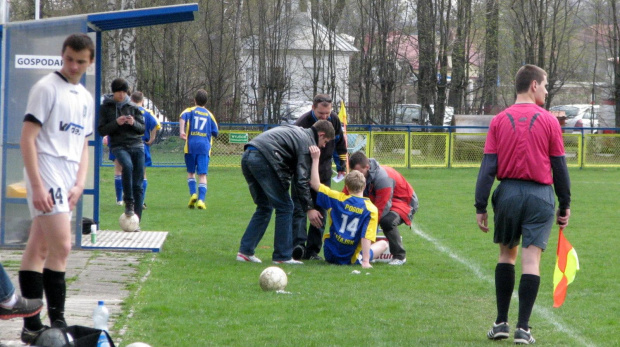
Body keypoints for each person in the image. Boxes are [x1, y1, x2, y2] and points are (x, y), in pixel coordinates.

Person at [475, 64, 571, 345]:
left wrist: (480, 206)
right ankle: (523, 329)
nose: (546, 89)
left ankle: (501, 323)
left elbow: (488, 166)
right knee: (531, 260)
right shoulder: (550, 121)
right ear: (533, 85)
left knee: (507, 256)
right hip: (540, 196)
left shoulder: (498, 120)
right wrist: (565, 204)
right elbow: (559, 167)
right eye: (544, 84)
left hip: (508, 194)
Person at [18, 33, 95, 343]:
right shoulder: (46, 88)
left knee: (39, 247)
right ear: (62, 56)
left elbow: (84, 145)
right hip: (46, 170)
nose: (73, 66)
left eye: (80, 61)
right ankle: (57, 320)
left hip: (67, 176)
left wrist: (80, 184)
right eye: (68, 59)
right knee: (63, 246)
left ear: (90, 62)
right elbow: (27, 137)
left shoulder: (86, 98)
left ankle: (31, 324)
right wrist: (36, 186)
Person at [236, 120, 335, 264]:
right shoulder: (307, 143)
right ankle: (282, 256)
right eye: (325, 141)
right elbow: (301, 180)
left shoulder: (298, 131)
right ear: (321, 134)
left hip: (248, 155)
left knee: (265, 207)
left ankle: (245, 252)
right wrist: (309, 209)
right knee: (286, 207)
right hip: (264, 158)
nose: (324, 145)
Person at [308, 146, 388, 268]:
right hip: (350, 258)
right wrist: (366, 262)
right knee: (383, 244)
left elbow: (315, 184)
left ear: (347, 186)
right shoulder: (371, 209)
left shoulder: (336, 198)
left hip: (330, 254)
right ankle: (364, 259)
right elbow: (366, 237)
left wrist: (315, 159)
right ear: (364, 185)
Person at [292, 94, 348, 261]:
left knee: (321, 211)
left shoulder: (334, 120)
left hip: (323, 173)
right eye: (321, 113)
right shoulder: (301, 124)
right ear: (313, 108)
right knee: (300, 210)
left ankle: (313, 251)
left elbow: (340, 144)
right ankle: (298, 247)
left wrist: (341, 166)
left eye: (327, 113)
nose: (325, 117)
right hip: (301, 172)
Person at [347, 151, 419, 266]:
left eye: (359, 172)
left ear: (367, 167)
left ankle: (400, 256)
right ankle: (364, 252)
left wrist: (368, 224)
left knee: (386, 221)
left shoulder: (383, 178)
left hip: (403, 202)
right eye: (354, 172)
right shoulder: (360, 175)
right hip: (385, 199)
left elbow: (382, 208)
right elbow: (347, 193)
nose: (357, 175)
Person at [98, 78, 145, 221]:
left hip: (137, 145)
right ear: (114, 92)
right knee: (127, 166)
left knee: (138, 185)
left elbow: (142, 129)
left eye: (124, 92)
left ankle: (136, 221)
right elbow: (101, 130)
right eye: (119, 92)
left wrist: (133, 123)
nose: (122, 95)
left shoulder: (133, 107)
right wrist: (116, 123)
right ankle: (128, 202)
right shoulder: (105, 108)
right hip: (119, 145)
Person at [179, 89, 219, 210]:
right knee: (202, 174)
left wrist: (181, 131)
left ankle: (193, 194)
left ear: (194, 100)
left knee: (191, 172)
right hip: (204, 147)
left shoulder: (190, 110)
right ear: (206, 102)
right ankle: (201, 200)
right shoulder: (209, 114)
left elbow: (182, 116)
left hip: (191, 145)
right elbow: (215, 132)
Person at [131, 91, 161, 209]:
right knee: (142, 174)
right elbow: (156, 125)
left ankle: (131, 200)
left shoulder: (129, 111)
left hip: (130, 144)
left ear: (132, 100)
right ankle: (141, 201)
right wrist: (152, 138)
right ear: (142, 101)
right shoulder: (148, 113)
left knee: (130, 172)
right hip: (143, 145)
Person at [102, 135, 124, 205]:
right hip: (125, 141)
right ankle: (122, 197)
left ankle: (119, 199)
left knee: (119, 169)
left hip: (115, 141)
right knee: (124, 169)